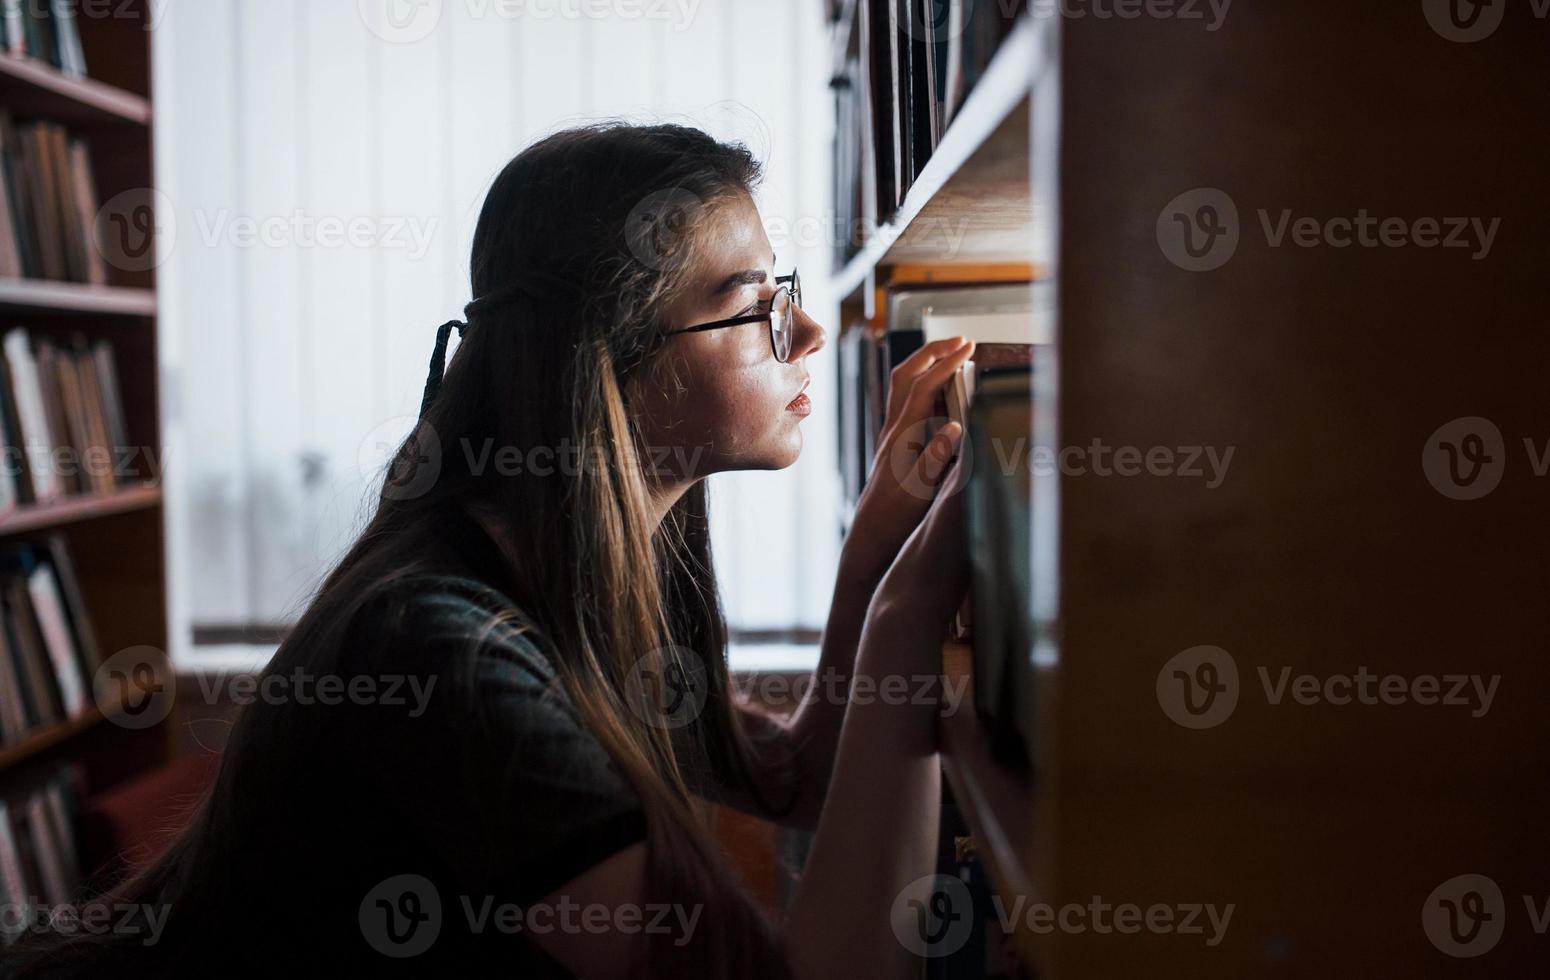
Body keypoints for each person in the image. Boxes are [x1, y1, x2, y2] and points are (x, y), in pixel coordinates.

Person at [10, 122, 977, 979]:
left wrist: (881, 544)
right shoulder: (445, 652)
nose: (806, 330)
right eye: (752, 301)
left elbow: (796, 776)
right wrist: (908, 617)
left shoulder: (570, 581)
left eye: (789, 289)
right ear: (610, 362)